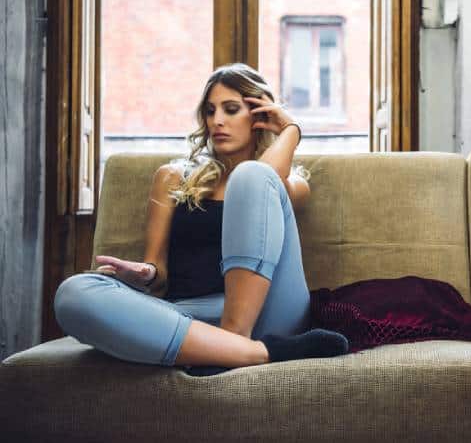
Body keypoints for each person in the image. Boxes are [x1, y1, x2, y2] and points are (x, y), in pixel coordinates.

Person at [54, 63, 349, 376]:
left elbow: (261, 178)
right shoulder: (174, 178)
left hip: (269, 312)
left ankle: (233, 337)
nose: (217, 121)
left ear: (260, 116)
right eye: (210, 111)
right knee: (73, 294)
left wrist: (291, 129)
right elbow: (159, 273)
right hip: (190, 315)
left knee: (249, 175)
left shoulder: (291, 184)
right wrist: (145, 274)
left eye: (231, 109)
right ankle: (254, 353)